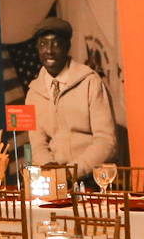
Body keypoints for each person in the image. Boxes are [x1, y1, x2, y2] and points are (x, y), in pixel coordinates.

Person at [27, 19, 117, 173]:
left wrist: (73, 172)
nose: (49, 50)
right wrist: (49, 167)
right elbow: (38, 145)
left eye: (56, 44)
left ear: (67, 47)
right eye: (43, 44)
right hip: (55, 179)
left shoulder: (90, 81)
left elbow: (106, 141)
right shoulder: (33, 93)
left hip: (93, 178)